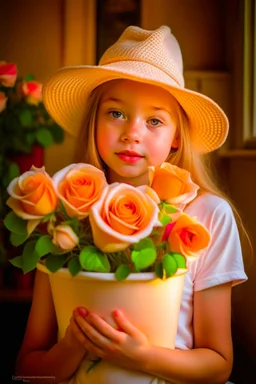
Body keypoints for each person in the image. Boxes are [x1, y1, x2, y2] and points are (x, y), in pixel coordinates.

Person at [15, 25, 248, 384]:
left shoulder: (208, 216)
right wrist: (73, 345)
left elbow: (218, 364)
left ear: (176, 138)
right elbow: (28, 366)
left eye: (154, 120)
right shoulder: (61, 215)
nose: (131, 133)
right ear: (94, 122)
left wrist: (141, 357)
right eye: (116, 113)